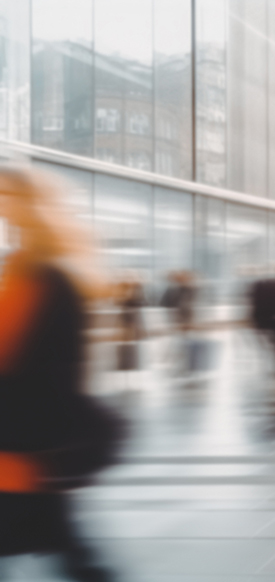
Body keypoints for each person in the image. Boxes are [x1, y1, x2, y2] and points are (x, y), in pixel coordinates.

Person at [0, 167, 119, 581]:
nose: (2, 204)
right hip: (24, 438)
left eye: (7, 195)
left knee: (68, 547)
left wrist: (50, 442)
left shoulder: (49, 276)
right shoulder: (23, 268)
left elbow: (51, 365)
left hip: (26, 439)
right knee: (67, 546)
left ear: (30, 205)